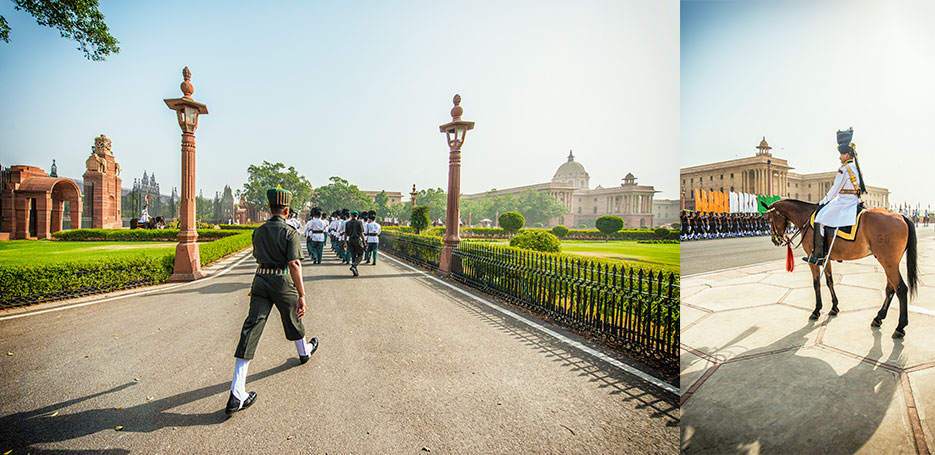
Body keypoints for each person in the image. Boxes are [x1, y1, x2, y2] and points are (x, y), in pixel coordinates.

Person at [226, 186, 318, 415]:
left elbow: (257, 255)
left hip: (260, 280)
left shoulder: (258, 231)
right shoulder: (290, 233)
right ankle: (304, 352)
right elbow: (294, 264)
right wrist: (302, 295)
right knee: (294, 316)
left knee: (251, 329)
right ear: (286, 210)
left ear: (269, 208)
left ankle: (237, 392)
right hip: (281, 280)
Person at [804, 127, 865, 265]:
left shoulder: (844, 170)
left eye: (842, 154)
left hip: (844, 202)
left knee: (819, 219)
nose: (840, 157)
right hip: (853, 200)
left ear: (848, 155)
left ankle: (819, 255)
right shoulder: (855, 169)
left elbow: (835, 189)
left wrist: (823, 202)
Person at [343, 210, 366, 276]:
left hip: (350, 240)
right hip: (357, 239)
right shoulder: (359, 223)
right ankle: (354, 265)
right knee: (360, 255)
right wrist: (364, 242)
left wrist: (345, 242)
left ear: (351, 216)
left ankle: (355, 271)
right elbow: (361, 233)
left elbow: (346, 233)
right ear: (357, 216)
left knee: (353, 255)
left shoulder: (348, 223)